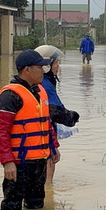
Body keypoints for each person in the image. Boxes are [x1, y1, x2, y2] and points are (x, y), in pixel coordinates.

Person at [0, 49, 60, 210]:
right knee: (11, 209)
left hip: (39, 161)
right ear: (27, 70)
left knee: (36, 206)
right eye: (39, 67)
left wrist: (53, 147)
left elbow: (46, 123)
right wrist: (7, 161)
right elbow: (1, 131)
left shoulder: (39, 91)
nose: (43, 71)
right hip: (19, 162)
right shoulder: (10, 95)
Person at [35, 44, 80, 184]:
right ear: (46, 66)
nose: (58, 66)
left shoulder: (42, 82)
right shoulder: (45, 84)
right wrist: (72, 117)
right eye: (56, 63)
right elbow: (54, 111)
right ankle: (49, 190)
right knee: (49, 162)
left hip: (40, 132)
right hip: (44, 132)